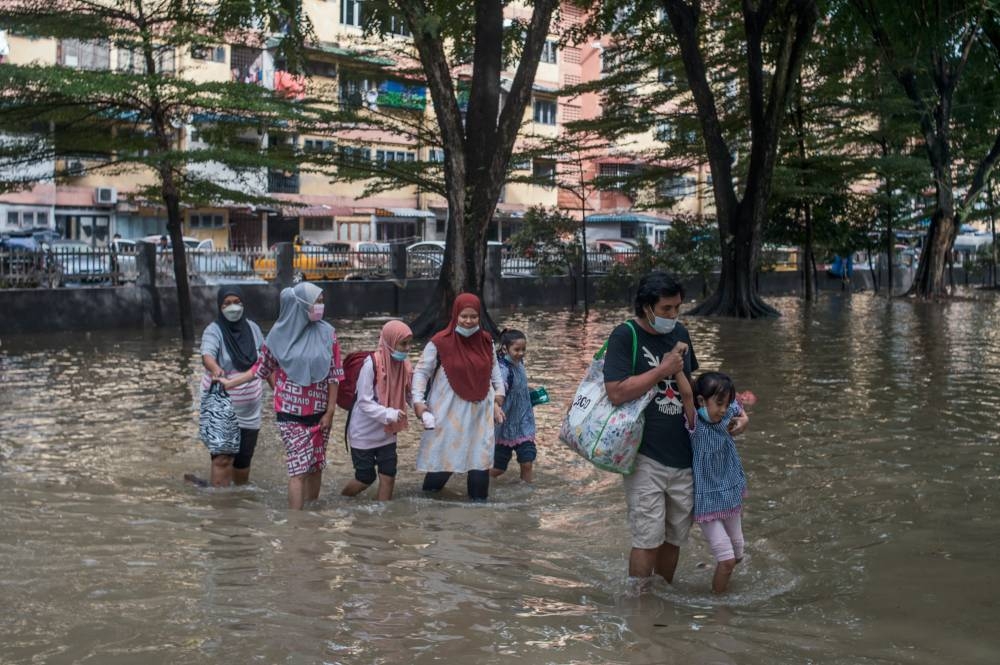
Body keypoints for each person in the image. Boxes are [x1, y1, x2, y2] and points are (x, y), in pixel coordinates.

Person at [603, 271, 749, 586]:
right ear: (646, 307)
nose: (673, 316)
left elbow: (695, 393)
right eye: (666, 309)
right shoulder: (624, 336)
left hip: (685, 457)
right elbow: (615, 392)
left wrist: (734, 412)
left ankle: (662, 596)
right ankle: (638, 603)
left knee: (674, 537)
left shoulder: (680, 332)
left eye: (677, 308)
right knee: (647, 537)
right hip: (645, 455)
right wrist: (662, 370)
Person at [221, 282, 343, 510]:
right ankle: (295, 525)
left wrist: (330, 411)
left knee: (316, 465)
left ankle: (312, 521)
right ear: (302, 305)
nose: (321, 306)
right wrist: (231, 382)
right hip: (290, 413)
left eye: (322, 300)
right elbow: (261, 369)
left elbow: (334, 374)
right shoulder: (278, 335)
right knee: (298, 469)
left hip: (321, 413)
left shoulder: (328, 333)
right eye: (316, 301)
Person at [412, 293, 506, 501]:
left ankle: (479, 516)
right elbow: (421, 372)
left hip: (479, 411)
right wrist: (419, 403)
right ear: (455, 315)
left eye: (474, 316)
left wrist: (498, 398)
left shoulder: (486, 341)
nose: (469, 321)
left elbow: (495, 373)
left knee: (479, 461)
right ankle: (426, 505)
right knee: (444, 460)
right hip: (448, 412)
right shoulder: (439, 342)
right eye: (464, 316)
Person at [674, 370, 748, 593]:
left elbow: (740, 410)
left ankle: (719, 577)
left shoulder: (727, 414)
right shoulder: (696, 423)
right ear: (701, 401)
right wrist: (677, 368)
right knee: (727, 561)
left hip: (730, 492)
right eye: (718, 403)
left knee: (737, 554)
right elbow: (686, 395)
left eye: (726, 403)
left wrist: (745, 419)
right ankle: (719, 606)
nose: (724, 409)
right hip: (707, 499)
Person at [195, 286, 266, 487]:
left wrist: (280, 391)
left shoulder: (253, 329)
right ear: (220, 306)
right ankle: (219, 508)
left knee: (242, 466)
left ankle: (237, 507)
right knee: (222, 459)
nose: (232, 307)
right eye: (227, 303)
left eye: (236, 302)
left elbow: (266, 362)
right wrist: (216, 370)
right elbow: (207, 355)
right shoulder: (213, 330)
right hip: (221, 408)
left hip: (250, 411)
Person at [340, 320, 414, 501]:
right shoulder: (371, 364)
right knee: (365, 478)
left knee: (388, 475)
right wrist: (389, 413)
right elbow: (364, 402)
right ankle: (342, 499)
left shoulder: (404, 366)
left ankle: (383, 522)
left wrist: (425, 410)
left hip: (387, 432)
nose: (407, 348)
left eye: (409, 343)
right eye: (403, 343)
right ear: (390, 341)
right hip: (363, 433)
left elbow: (409, 393)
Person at [490, 328, 537, 483]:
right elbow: (498, 392)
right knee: (498, 468)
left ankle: (527, 493)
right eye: (516, 350)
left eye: (523, 349)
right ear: (505, 348)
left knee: (527, 462)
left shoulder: (520, 363)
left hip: (524, 424)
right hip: (504, 427)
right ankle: (477, 478)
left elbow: (518, 389)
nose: (521, 353)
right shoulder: (503, 371)